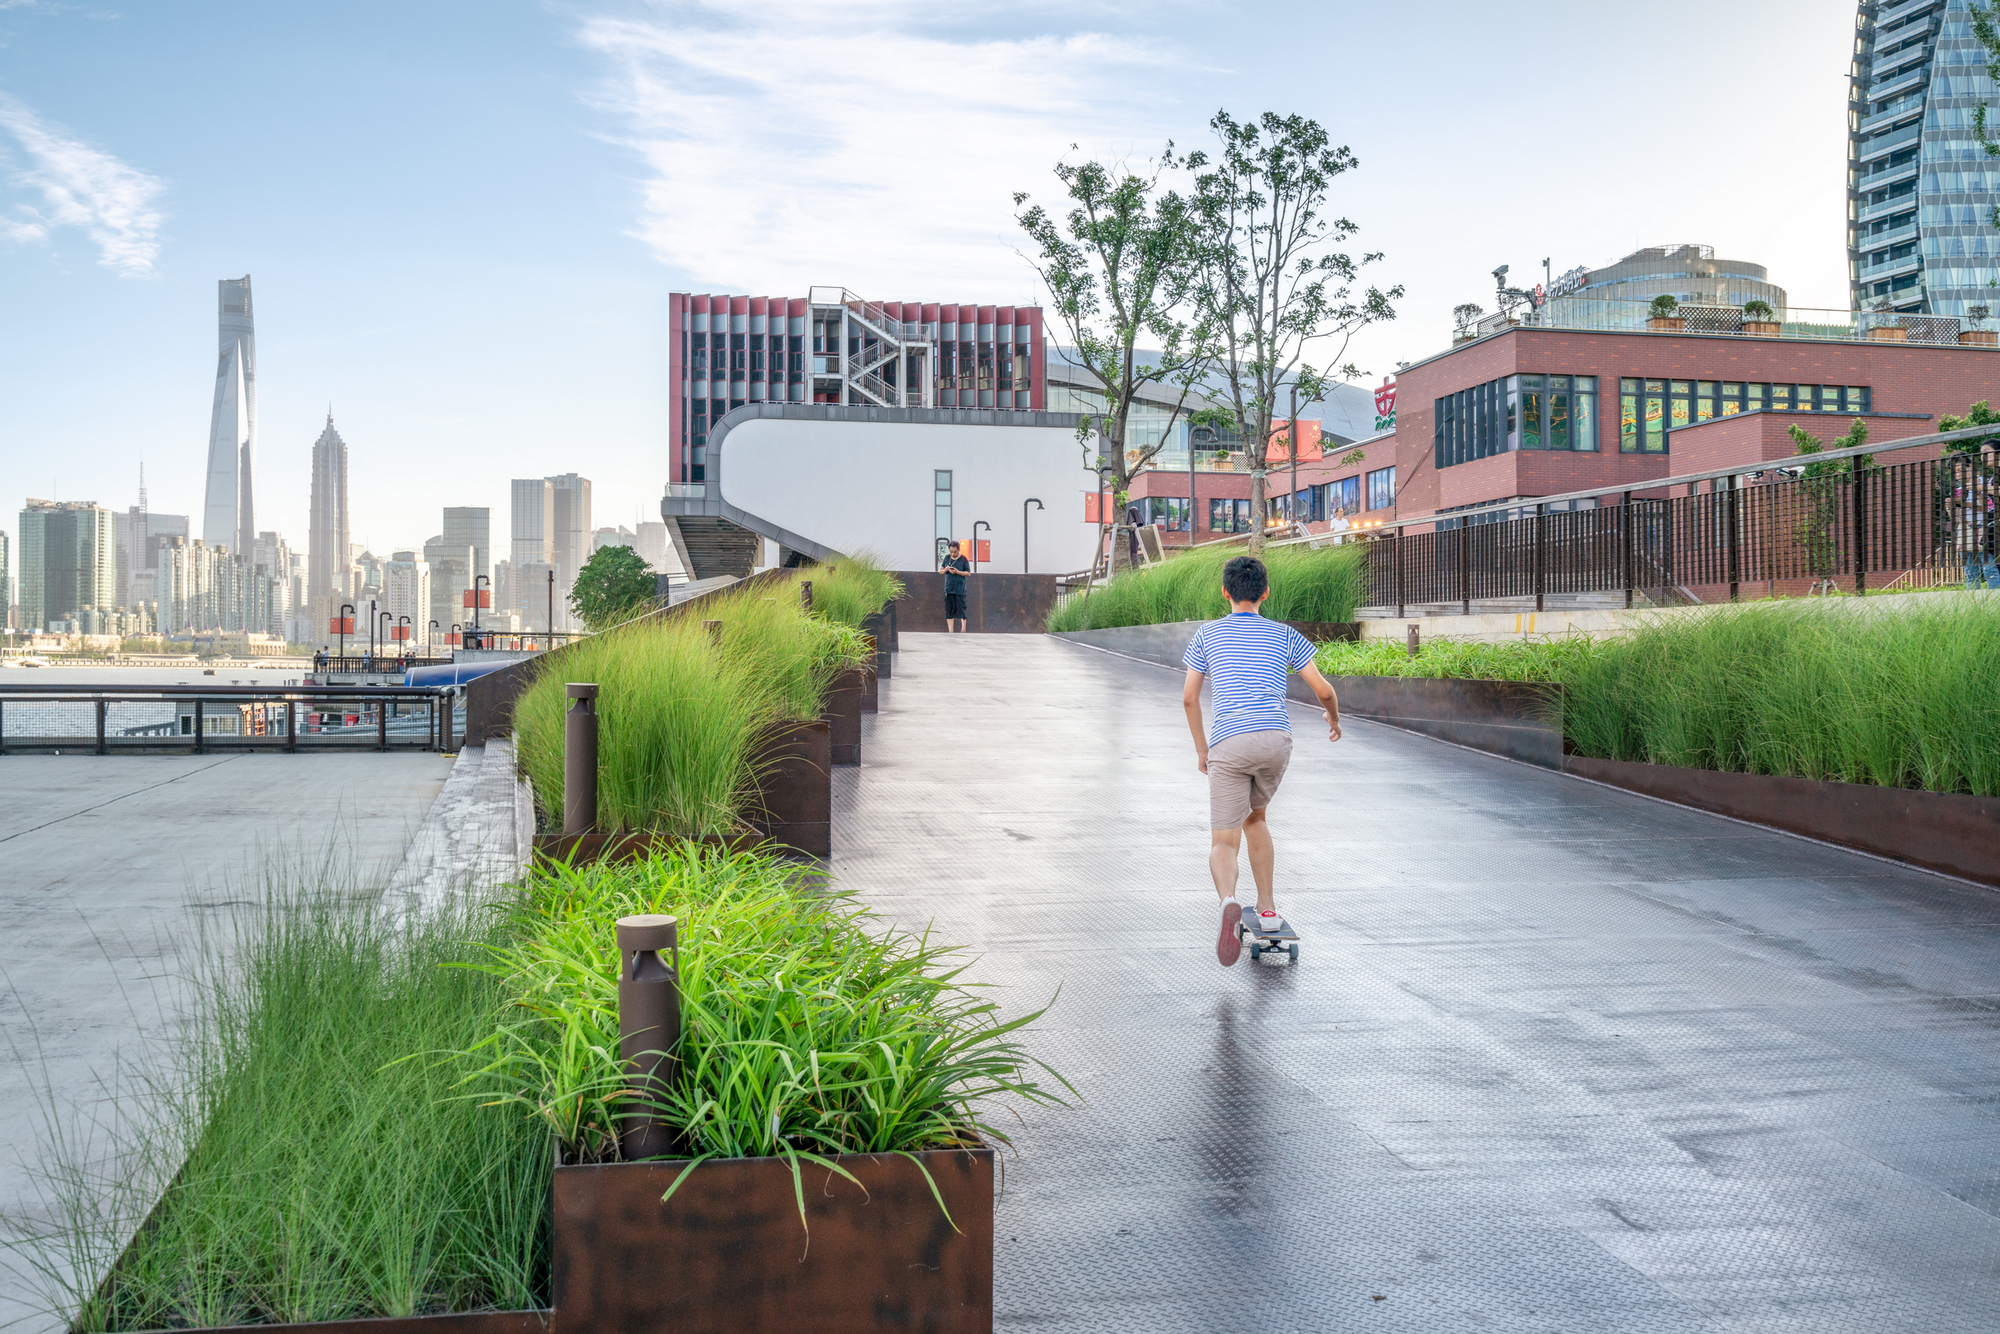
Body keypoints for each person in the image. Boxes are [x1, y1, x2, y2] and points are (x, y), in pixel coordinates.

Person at [1181, 555, 1341, 967]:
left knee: (1223, 840)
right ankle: (1267, 909)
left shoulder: (1207, 634)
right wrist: (1333, 718)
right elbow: (1324, 691)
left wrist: (1202, 749)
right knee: (1256, 818)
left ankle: (1228, 902)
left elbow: (1189, 698)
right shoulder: (1285, 635)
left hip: (1230, 742)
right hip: (1275, 741)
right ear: (1265, 593)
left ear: (1225, 592)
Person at [940, 540, 971, 632]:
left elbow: (968, 573)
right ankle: (950, 630)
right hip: (949, 588)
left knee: (961, 608)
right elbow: (941, 570)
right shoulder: (947, 558)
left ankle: (963, 629)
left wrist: (957, 572)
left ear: (958, 550)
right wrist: (945, 570)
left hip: (959, 589)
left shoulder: (963, 559)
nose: (953, 554)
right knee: (949, 609)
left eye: (955, 552)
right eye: (951, 552)